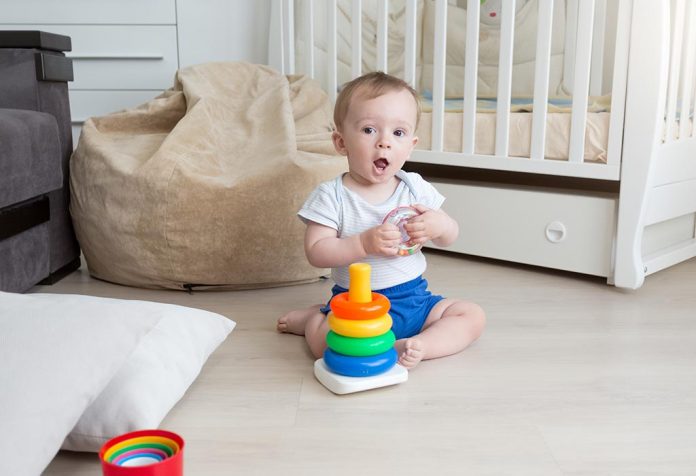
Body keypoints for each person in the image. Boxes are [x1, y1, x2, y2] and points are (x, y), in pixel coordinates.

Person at [277, 71, 485, 369]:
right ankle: (314, 318)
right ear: (340, 142)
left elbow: (450, 235)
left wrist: (438, 225)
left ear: (411, 145)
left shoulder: (414, 187)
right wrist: (362, 243)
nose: (384, 142)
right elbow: (317, 251)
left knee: (471, 315)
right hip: (356, 307)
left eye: (397, 133)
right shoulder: (332, 196)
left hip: (414, 300)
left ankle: (421, 345)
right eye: (369, 130)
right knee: (326, 348)